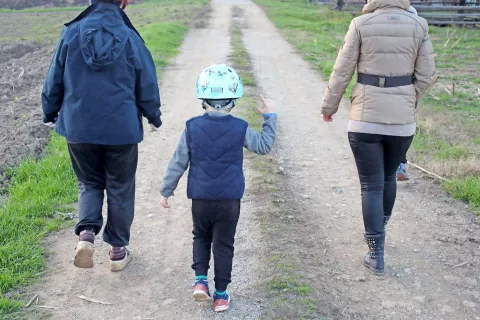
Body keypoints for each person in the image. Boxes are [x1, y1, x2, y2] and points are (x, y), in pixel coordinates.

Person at [42, 0, 161, 271]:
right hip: (121, 131)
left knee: (89, 182)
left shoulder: (71, 34)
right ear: (124, 2)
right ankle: (118, 252)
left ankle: (86, 236)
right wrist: (153, 115)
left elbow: (54, 79)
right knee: (120, 187)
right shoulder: (130, 37)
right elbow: (147, 81)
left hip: (79, 129)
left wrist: (49, 112)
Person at [321, 0, 436, 275]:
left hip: (365, 120)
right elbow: (427, 75)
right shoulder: (419, 24)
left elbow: (342, 71)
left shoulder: (360, 24)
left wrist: (329, 107)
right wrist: (407, 99)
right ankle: (380, 229)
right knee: (387, 178)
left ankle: (376, 253)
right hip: (401, 123)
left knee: (370, 185)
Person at [159, 64, 277, 312]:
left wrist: (166, 189)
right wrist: (270, 117)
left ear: (203, 99)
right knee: (224, 244)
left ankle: (200, 282)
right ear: (234, 99)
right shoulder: (241, 128)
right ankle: (221, 296)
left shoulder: (192, 127)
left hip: (201, 199)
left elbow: (178, 161)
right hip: (229, 200)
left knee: (200, 236)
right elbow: (265, 146)